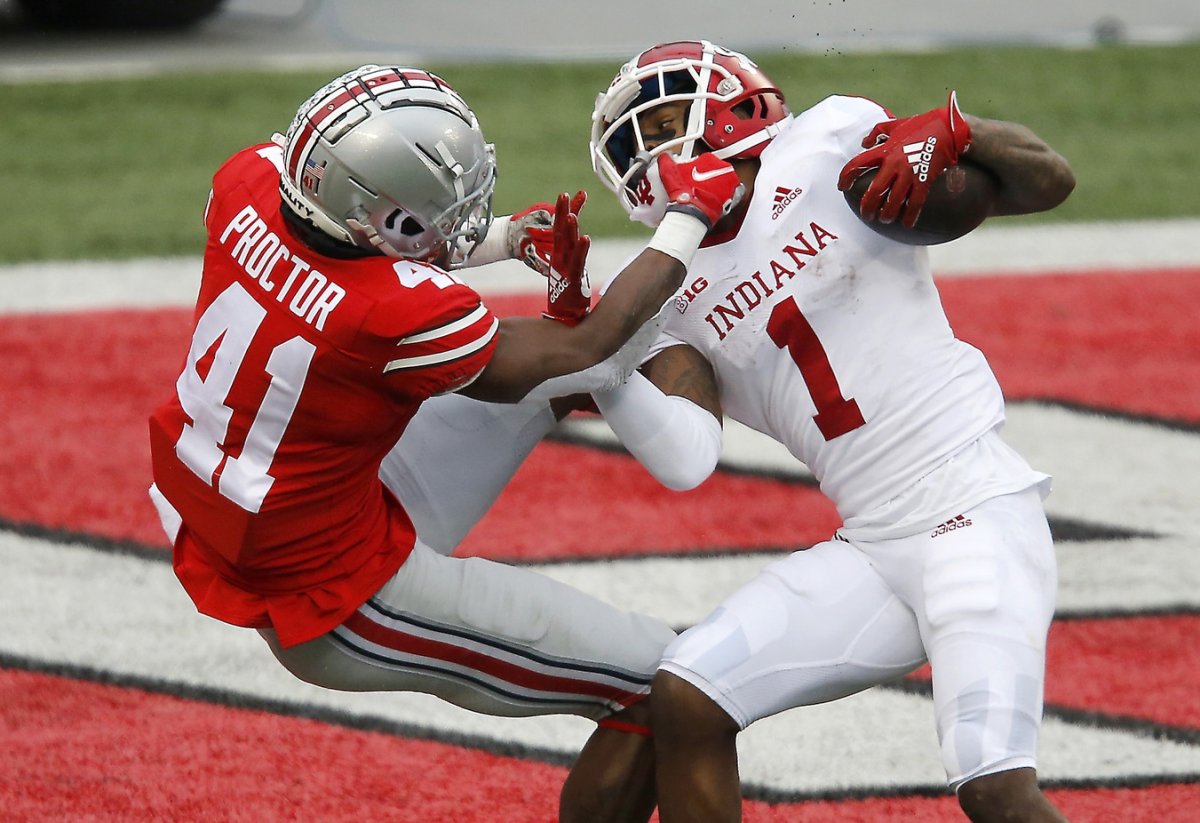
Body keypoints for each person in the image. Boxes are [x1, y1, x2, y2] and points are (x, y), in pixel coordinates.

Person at [146, 63, 744, 823]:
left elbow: (350, 252)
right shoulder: (387, 316)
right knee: (669, 680)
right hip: (340, 594)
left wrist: (502, 241)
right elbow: (587, 346)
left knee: (553, 386)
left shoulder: (248, 184)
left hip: (249, 506)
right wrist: (688, 214)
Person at [586, 40, 1076, 822]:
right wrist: (591, 348)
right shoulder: (663, 284)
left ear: (736, 107)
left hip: (974, 508)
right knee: (687, 694)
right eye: (634, 146)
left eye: (665, 125)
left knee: (994, 787)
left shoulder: (828, 143)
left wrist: (959, 131)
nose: (649, 156)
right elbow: (686, 443)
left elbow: (1051, 180)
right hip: (875, 543)